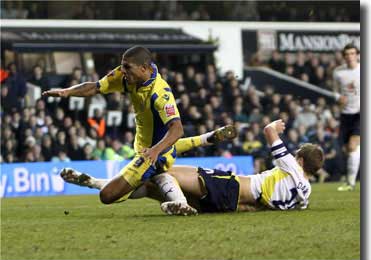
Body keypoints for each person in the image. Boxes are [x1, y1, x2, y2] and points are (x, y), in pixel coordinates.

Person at [43, 45, 236, 215]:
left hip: (155, 153)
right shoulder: (125, 76)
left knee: (108, 195)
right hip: (143, 146)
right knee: (148, 183)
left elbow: (177, 130)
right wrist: (66, 92)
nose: (122, 70)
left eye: (127, 67)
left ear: (144, 68)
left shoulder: (160, 93)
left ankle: (93, 182)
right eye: (122, 65)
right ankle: (183, 195)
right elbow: (94, 87)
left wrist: (154, 151)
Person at [61, 120, 324, 213]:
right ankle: (95, 182)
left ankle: (180, 204)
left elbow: (268, 130)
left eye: (297, 153)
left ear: (300, 159)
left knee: (163, 173)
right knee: (154, 186)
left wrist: (277, 126)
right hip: (231, 206)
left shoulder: (291, 166)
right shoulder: (305, 194)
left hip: (232, 186)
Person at [332, 44, 360, 192]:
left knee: (352, 145)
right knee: (347, 149)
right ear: (344, 56)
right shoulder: (338, 72)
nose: (350, 56)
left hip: (361, 113)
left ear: (357, 55)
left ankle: (350, 184)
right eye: (347, 54)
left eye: (353, 53)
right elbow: (335, 91)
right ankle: (350, 181)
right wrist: (338, 98)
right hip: (346, 114)